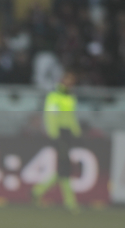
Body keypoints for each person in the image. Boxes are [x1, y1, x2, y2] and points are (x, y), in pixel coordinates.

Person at [32, 71, 82, 213]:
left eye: (72, 81)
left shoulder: (70, 97)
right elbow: (51, 116)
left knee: (63, 169)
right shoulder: (54, 96)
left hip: (67, 134)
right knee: (65, 168)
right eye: (68, 81)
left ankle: (37, 191)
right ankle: (70, 202)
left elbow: (72, 117)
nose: (70, 84)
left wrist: (77, 133)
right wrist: (54, 135)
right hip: (59, 134)